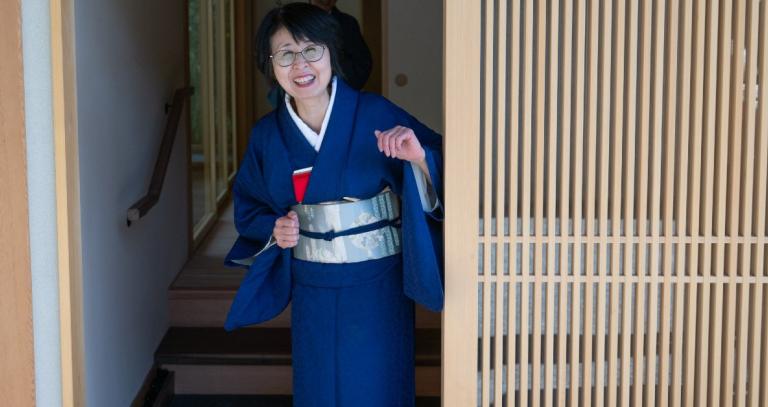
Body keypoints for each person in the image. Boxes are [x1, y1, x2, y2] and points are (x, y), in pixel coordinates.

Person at [224, 4, 443, 406]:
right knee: (320, 386)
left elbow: (439, 157)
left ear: (331, 53)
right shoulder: (267, 136)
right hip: (314, 284)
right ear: (269, 64)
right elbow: (249, 205)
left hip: (378, 282)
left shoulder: (375, 112)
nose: (301, 64)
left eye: (312, 49)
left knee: (378, 385)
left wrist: (418, 159)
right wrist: (275, 228)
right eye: (285, 53)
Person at [308, 0, 372, 90]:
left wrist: (343, 88)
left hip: (340, 87)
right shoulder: (296, 20)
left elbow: (362, 63)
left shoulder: (348, 23)